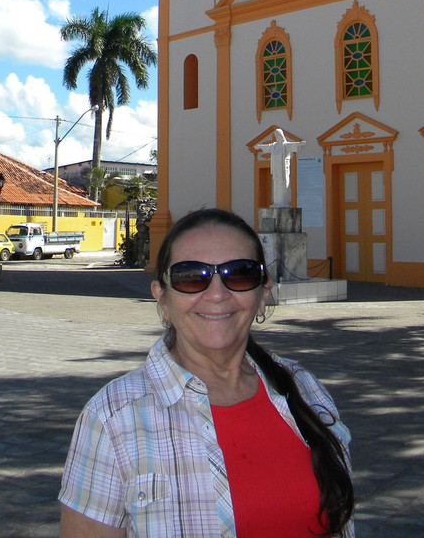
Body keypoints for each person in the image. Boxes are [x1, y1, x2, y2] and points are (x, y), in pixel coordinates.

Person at [58, 207, 355, 537]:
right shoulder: (112, 419)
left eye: (239, 273)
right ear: (162, 298)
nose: (216, 294)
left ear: (263, 293)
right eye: (190, 276)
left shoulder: (305, 389)